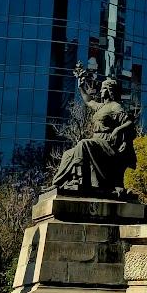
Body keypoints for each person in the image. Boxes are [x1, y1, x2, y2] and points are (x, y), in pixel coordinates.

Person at [51, 67, 136, 197]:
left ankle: (83, 181)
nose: (101, 90)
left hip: (107, 144)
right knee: (68, 153)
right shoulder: (101, 106)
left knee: (83, 144)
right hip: (96, 141)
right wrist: (81, 86)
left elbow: (129, 122)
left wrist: (118, 130)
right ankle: (57, 182)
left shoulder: (115, 106)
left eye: (103, 88)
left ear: (109, 91)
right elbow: (88, 100)